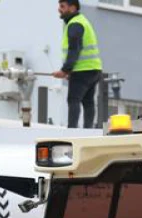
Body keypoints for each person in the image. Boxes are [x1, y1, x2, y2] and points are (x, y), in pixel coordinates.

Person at [52, 1, 103, 129]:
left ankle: (72, 131)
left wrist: (65, 70)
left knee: (73, 100)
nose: (59, 9)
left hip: (83, 70)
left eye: (62, 6)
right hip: (94, 69)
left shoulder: (75, 24)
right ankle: (88, 131)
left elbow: (74, 48)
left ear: (73, 8)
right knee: (88, 102)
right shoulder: (82, 21)